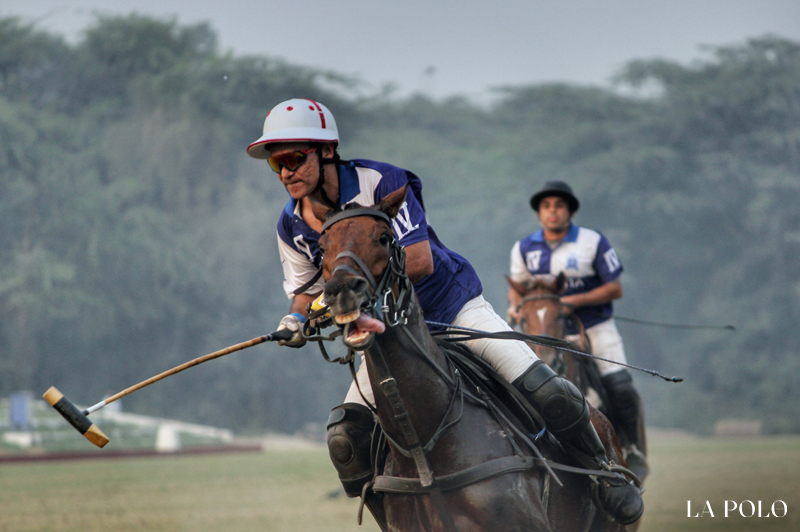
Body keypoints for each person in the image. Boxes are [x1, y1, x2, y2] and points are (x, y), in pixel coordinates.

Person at [247, 99, 643, 526]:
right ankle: (394, 516)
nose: (285, 171)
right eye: (276, 164)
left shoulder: (380, 182)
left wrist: (340, 299)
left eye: (293, 158)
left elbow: (418, 261)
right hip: (390, 333)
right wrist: (296, 320)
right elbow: (306, 292)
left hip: (452, 309)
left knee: (547, 389)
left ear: (326, 150)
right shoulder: (291, 226)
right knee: (345, 437)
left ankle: (605, 474)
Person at [508, 180, 649, 481]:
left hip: (594, 328)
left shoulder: (593, 242)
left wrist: (571, 302)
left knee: (621, 387)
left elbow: (614, 288)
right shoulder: (524, 248)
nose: (553, 211)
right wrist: (515, 306)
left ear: (569, 210)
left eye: (559, 205)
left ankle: (633, 448)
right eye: (546, 206)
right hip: (542, 332)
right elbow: (517, 291)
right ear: (539, 214)